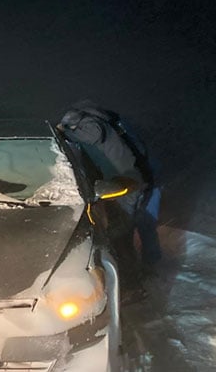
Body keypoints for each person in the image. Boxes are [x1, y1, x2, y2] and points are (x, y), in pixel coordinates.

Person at [57, 100, 162, 301]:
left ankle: (132, 288)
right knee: (128, 230)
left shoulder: (92, 125)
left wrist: (64, 131)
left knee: (119, 235)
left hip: (127, 184)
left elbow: (93, 135)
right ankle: (144, 270)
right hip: (131, 180)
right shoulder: (105, 123)